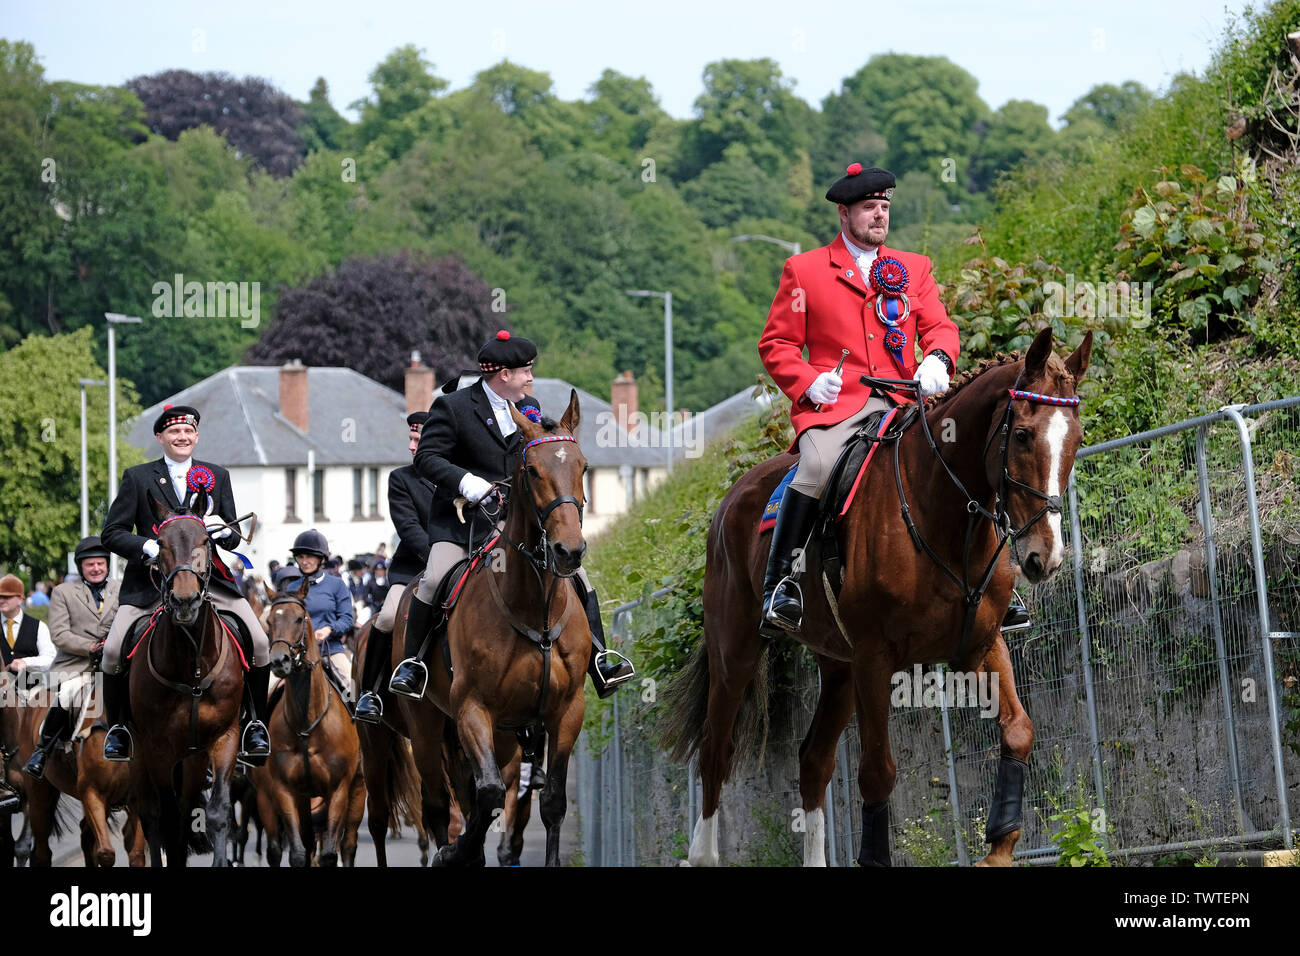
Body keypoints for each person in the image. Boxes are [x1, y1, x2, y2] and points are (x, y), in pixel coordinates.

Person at [757, 164, 1027, 634]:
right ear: (844, 213)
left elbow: (939, 326)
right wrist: (806, 382)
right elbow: (776, 344)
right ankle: (780, 585)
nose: (879, 216)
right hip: (838, 406)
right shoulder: (804, 270)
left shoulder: (913, 267)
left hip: (906, 404)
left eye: (884, 207)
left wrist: (939, 358)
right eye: (869, 208)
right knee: (817, 467)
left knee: (965, 457)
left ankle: (998, 580)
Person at [388, 330, 634, 703]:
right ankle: (414, 665)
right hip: (463, 524)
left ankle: (600, 657)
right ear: (503, 374)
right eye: (525, 371)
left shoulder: (529, 406)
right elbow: (427, 459)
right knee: (434, 578)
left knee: (578, 575)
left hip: (517, 523)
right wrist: (468, 483)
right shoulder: (453, 407)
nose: (530, 378)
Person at [98, 404, 271, 762]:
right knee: (114, 650)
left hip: (209, 584)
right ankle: (117, 729)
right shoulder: (138, 477)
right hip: (150, 585)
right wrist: (147, 545)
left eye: (188, 432)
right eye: (174, 433)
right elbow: (111, 533)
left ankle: (255, 723)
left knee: (260, 641)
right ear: (160, 437)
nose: (182, 438)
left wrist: (219, 529)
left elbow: (235, 538)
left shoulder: (216, 475)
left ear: (196, 436)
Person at [354, 411, 434, 724]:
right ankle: (370, 692)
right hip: (414, 568)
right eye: (411, 440)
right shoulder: (401, 479)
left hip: (465, 565)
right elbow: (409, 527)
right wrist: (439, 556)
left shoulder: (459, 477)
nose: (412, 447)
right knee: (387, 617)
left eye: (419, 440)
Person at [23, 537, 119, 779]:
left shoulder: (121, 588)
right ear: (81, 567)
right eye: (90, 565)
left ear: (107, 565)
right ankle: (42, 751)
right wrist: (90, 646)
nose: (96, 568)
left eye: (100, 563)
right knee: (66, 694)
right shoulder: (63, 592)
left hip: (116, 663)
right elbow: (59, 633)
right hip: (77, 666)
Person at [272, 530, 354, 698]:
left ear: (321, 558)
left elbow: (347, 618)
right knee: (268, 689)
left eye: (309, 556)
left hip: (330, 651)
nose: (304, 561)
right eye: (300, 557)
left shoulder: (337, 585)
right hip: (295, 655)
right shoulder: (291, 589)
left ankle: (363, 720)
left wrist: (329, 629)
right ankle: (258, 723)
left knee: (353, 691)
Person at [1, 573, 54, 809]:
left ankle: (43, 761)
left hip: (30, 689)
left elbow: (50, 657)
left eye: (7, 597)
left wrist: (26, 662)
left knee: (43, 720)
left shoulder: (37, 626)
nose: (1, 601)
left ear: (20, 599)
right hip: (2, 693)